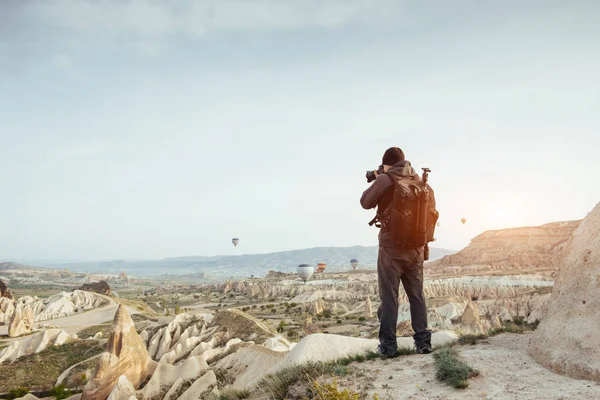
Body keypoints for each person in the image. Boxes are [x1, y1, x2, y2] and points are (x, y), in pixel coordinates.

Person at [360, 146, 433, 358]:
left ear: (386, 163)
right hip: (417, 249)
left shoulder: (386, 179)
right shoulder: (421, 181)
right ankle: (423, 343)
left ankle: (388, 347)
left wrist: (379, 177)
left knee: (390, 298)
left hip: (391, 249)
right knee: (416, 295)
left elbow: (365, 202)